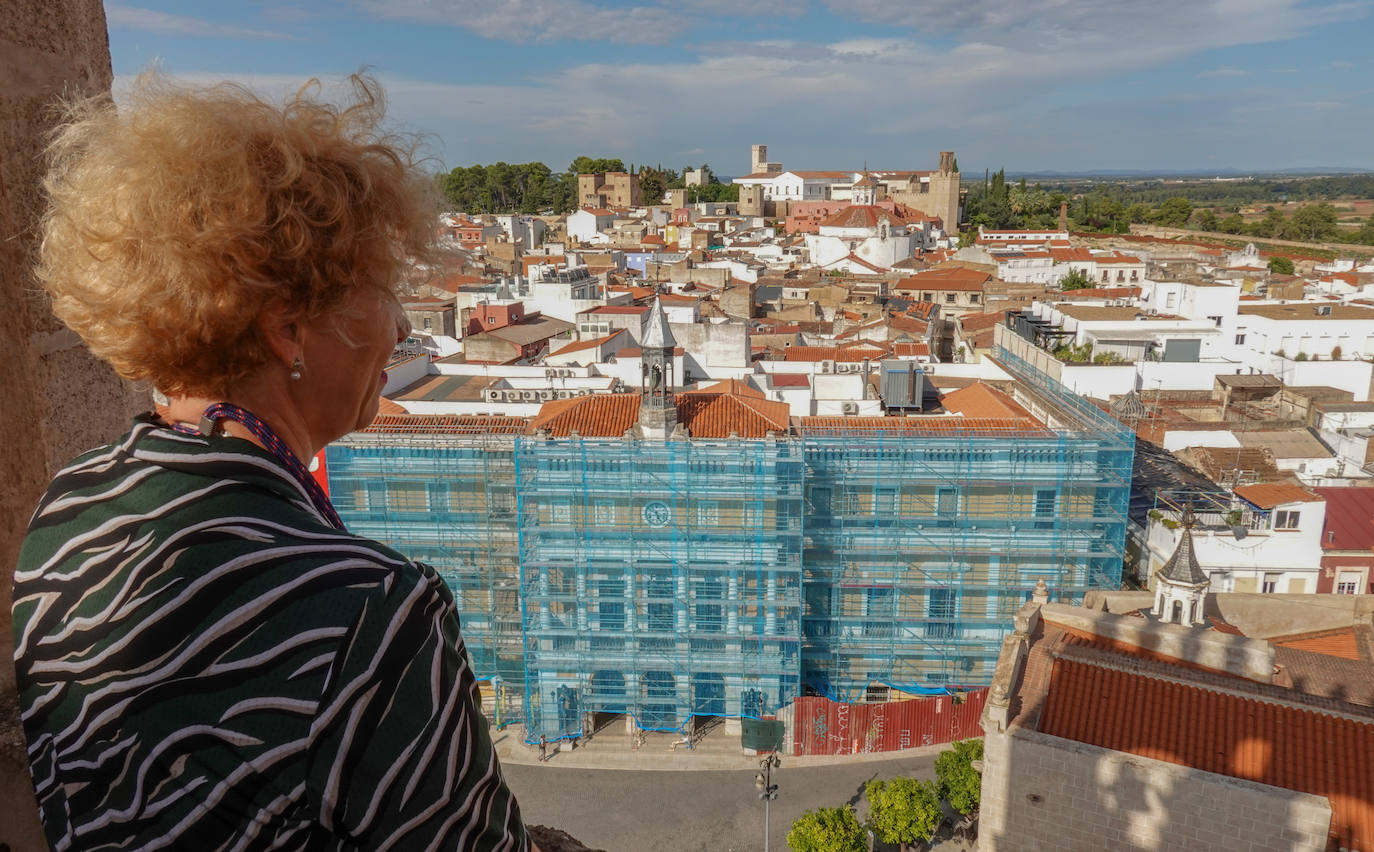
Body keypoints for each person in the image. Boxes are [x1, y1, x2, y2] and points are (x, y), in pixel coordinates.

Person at [13, 74, 531, 850]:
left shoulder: (71, 505)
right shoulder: (372, 612)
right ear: (288, 329)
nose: (399, 331)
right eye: (384, 292)